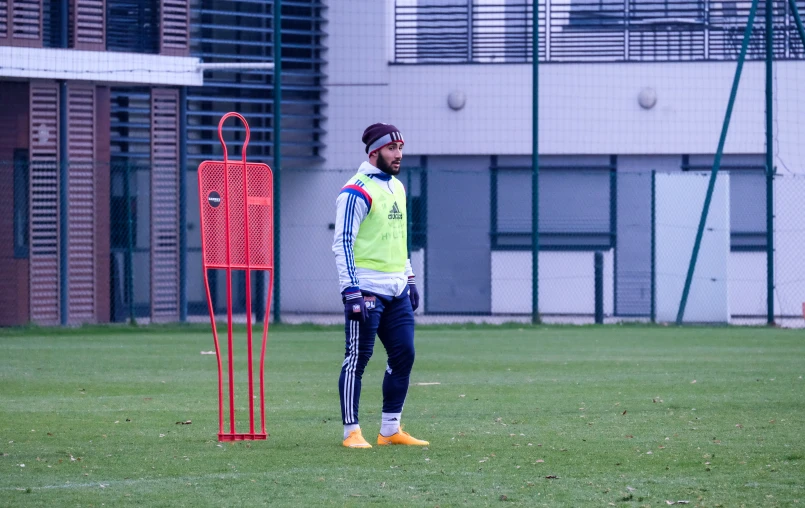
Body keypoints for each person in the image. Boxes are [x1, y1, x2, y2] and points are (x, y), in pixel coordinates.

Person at [331, 123, 429, 449]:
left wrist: (410, 278)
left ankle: (389, 430)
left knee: (404, 354)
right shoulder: (354, 191)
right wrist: (351, 291)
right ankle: (351, 432)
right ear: (374, 152)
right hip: (367, 289)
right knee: (358, 358)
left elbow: (399, 240)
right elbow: (342, 243)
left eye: (400, 147)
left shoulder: (397, 187)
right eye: (392, 148)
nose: (398, 154)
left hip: (397, 289)